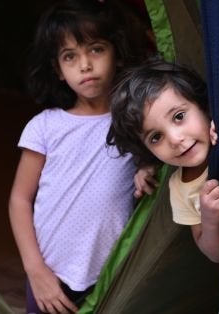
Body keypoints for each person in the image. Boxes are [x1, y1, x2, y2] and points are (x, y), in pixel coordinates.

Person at [8, 1, 153, 313]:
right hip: (51, 280)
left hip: (112, 277)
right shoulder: (45, 126)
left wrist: (146, 166)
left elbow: (158, 155)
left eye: (96, 49)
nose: (84, 65)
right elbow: (20, 199)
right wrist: (36, 271)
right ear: (58, 71)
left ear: (117, 54)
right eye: (69, 56)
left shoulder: (135, 120)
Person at [107, 58, 219, 263]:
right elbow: (215, 255)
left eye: (179, 116)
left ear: (203, 106)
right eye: (156, 137)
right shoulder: (179, 188)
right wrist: (210, 222)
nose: (175, 139)